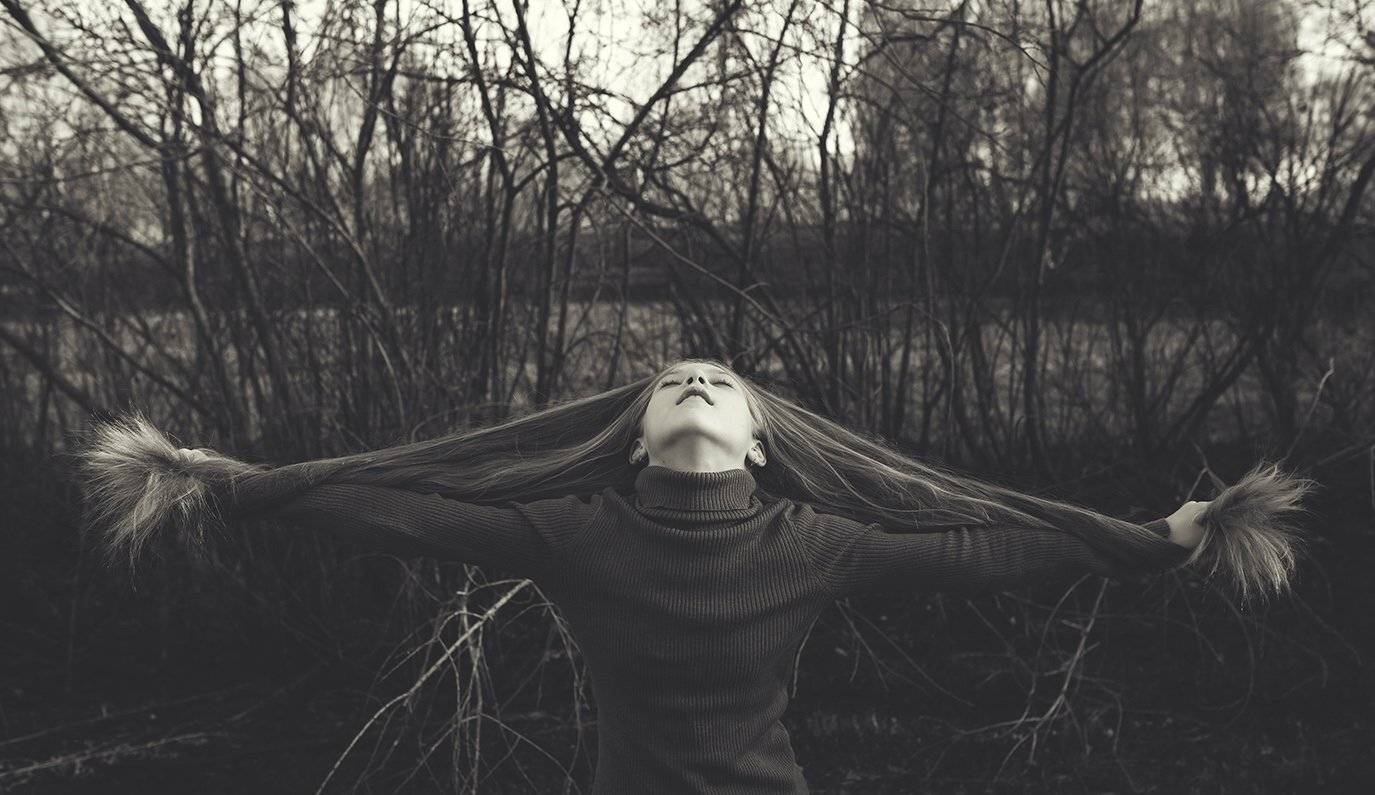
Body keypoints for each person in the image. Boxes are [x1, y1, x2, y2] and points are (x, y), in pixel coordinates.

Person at [75, 358, 1315, 794]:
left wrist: (1152, 540)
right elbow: (400, 514)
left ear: (761, 445)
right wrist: (224, 483)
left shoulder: (812, 541)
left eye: (720, 382)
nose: (699, 383)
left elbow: (983, 549)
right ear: (635, 440)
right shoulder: (574, 531)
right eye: (676, 382)